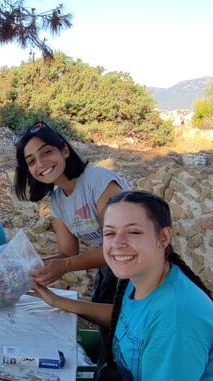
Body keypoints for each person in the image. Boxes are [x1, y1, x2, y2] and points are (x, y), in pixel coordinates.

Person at [29, 191, 213, 381]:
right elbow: (126, 319)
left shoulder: (176, 318)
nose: (118, 243)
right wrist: (59, 301)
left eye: (133, 232)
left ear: (163, 237)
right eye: (110, 233)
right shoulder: (146, 276)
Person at [14, 120, 130, 367]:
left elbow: (121, 247)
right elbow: (68, 252)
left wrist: (65, 265)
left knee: (129, 325)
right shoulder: (57, 199)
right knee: (107, 327)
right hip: (110, 268)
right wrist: (32, 266)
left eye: (47, 152)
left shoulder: (98, 182)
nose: (41, 163)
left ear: (64, 150)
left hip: (135, 266)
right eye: (31, 160)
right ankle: (110, 373)